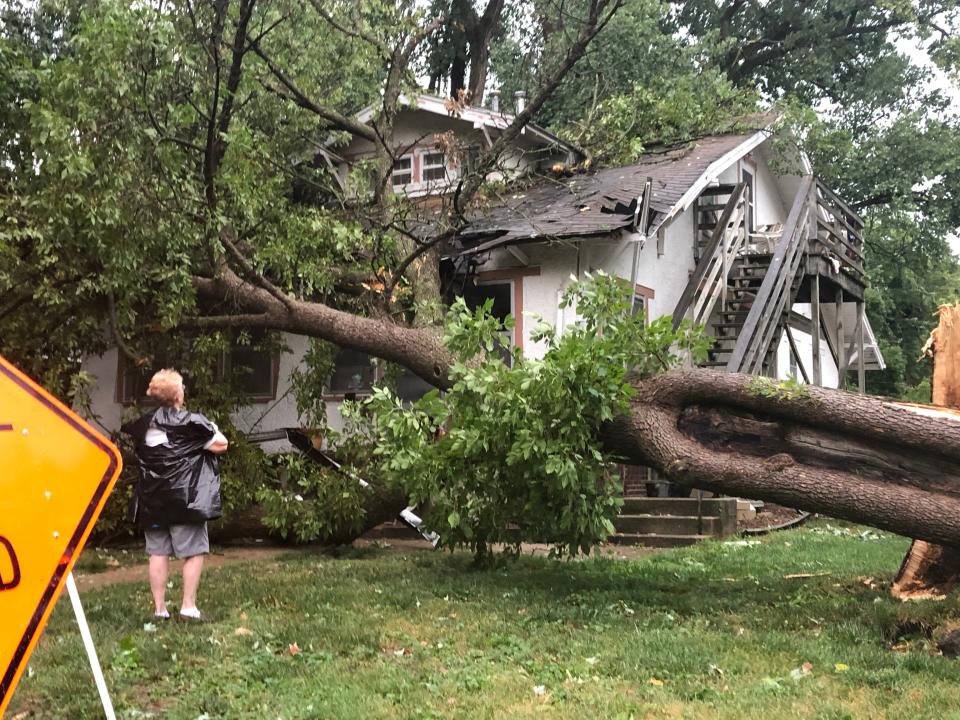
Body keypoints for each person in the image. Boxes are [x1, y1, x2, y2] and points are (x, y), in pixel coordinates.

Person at [121, 369, 228, 622]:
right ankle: (188, 607)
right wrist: (211, 426)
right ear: (178, 395)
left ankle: (159, 610)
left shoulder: (144, 426)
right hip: (185, 499)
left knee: (157, 552)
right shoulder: (191, 424)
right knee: (193, 551)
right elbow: (221, 444)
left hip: (153, 500)